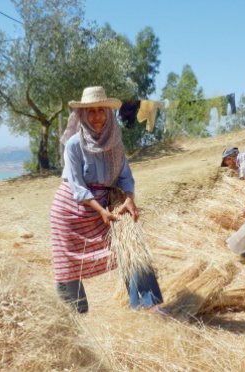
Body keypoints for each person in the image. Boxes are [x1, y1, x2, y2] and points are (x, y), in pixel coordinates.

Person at [50, 86, 164, 314]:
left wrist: (129, 199)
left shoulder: (116, 143)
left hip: (106, 205)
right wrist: (100, 211)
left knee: (132, 246)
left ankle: (146, 305)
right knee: (68, 266)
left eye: (101, 110)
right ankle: (73, 316)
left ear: (109, 113)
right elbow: (77, 185)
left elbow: (125, 177)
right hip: (71, 211)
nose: (97, 116)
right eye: (90, 111)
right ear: (82, 115)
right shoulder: (74, 144)